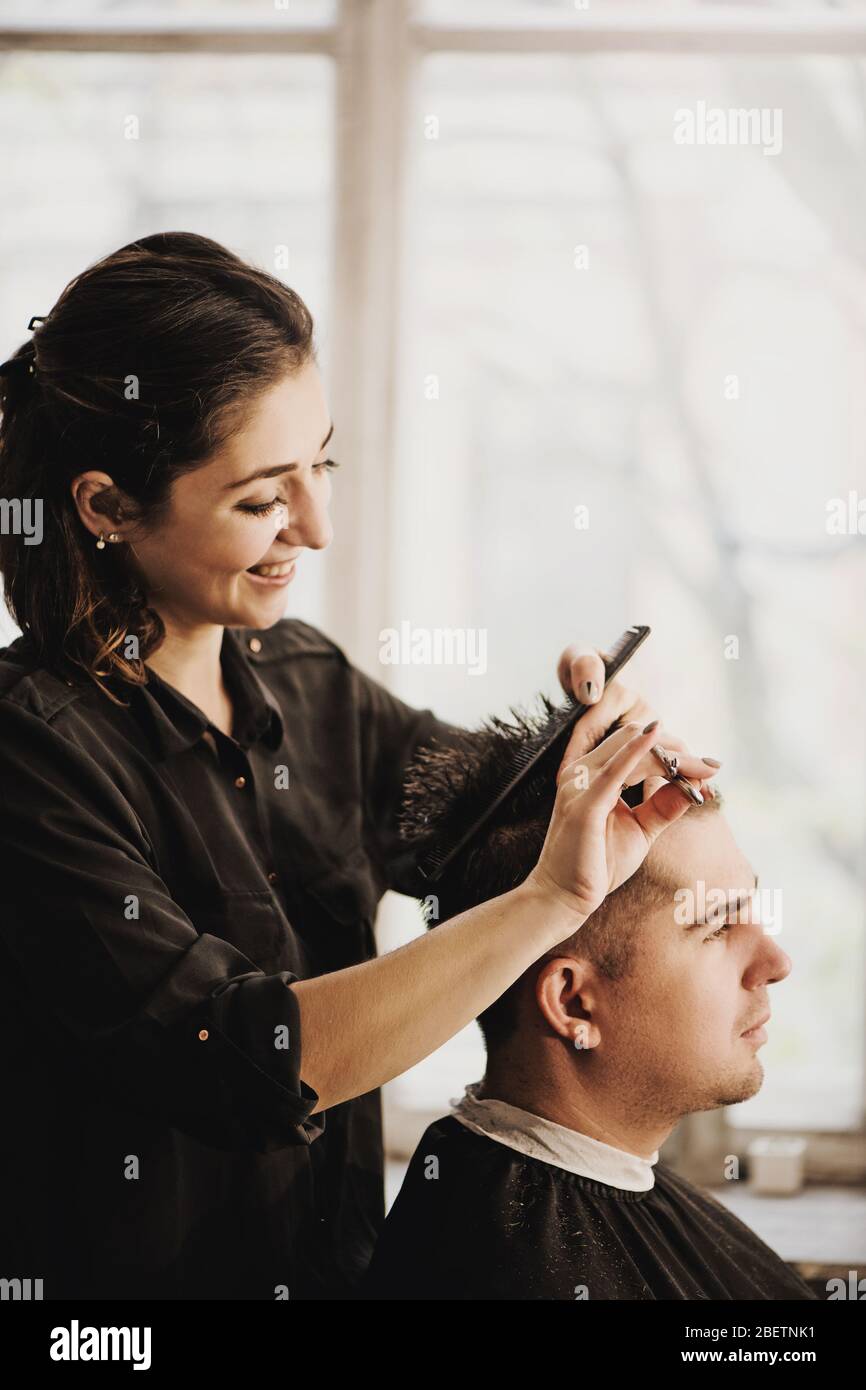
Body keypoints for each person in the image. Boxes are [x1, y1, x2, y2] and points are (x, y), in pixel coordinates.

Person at [0, 231, 721, 1299]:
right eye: (261, 499)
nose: (319, 528)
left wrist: (570, 750)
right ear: (106, 507)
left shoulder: (303, 680)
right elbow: (246, 1058)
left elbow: (468, 824)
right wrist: (552, 895)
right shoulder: (34, 757)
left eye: (320, 465)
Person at [362, 700, 816, 1301]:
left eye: (751, 911)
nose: (776, 964)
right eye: (716, 926)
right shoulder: (505, 1269)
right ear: (574, 1004)